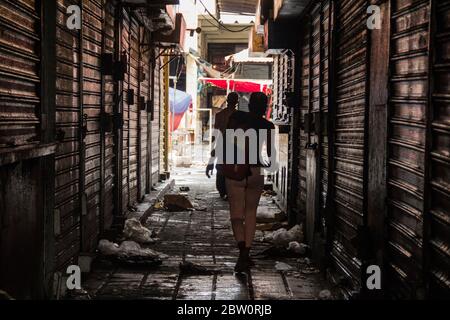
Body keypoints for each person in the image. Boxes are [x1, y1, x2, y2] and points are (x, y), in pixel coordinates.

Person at [224, 92, 275, 273]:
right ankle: (246, 253)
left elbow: (227, 143)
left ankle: (242, 254)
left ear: (249, 104)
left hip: (236, 170)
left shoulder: (236, 118)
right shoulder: (268, 126)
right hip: (256, 171)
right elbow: (270, 154)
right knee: (251, 212)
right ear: (266, 107)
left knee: (236, 216)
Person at [206, 92, 239, 199]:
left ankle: (223, 191)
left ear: (227, 101)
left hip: (222, 145)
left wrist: (212, 152)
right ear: (237, 102)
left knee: (221, 168)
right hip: (235, 147)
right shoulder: (240, 116)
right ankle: (230, 190)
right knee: (233, 168)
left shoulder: (220, 115)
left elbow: (215, 134)